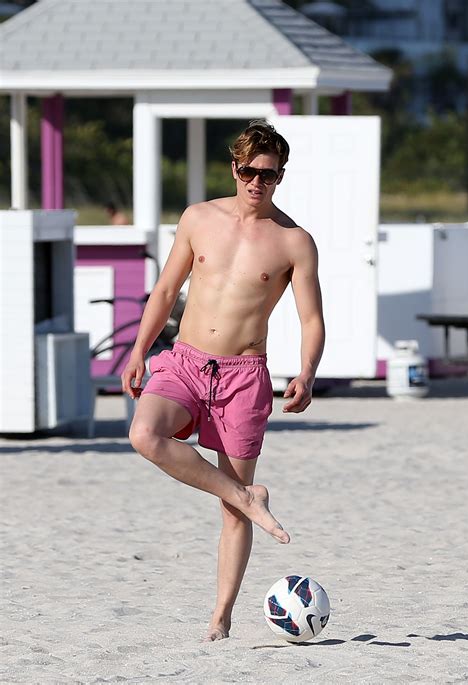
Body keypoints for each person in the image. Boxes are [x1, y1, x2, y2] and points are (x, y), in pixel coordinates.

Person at [121, 121, 325, 641]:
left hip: (244, 377)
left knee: (232, 513)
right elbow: (166, 289)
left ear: (280, 177)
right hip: (185, 361)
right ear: (234, 167)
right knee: (145, 435)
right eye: (250, 171)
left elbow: (310, 319)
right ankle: (246, 494)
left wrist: (306, 370)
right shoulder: (198, 218)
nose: (258, 182)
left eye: (270, 174)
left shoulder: (294, 241)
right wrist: (139, 349)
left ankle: (221, 616)